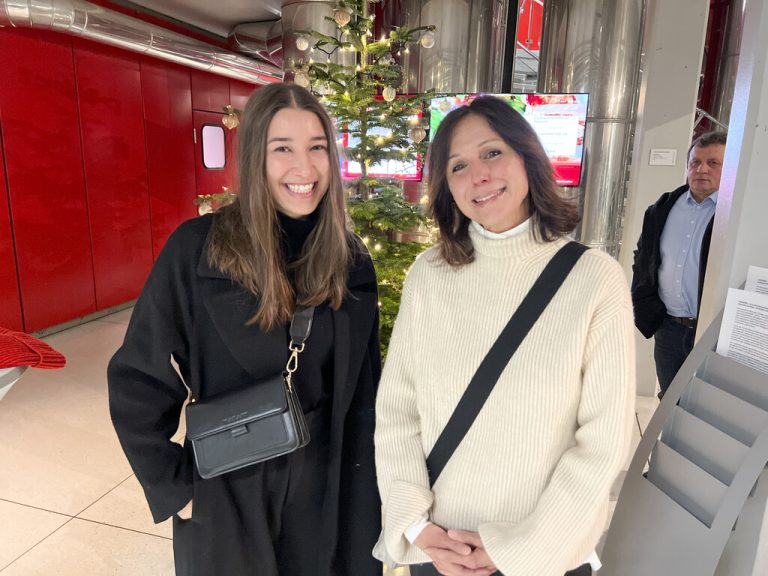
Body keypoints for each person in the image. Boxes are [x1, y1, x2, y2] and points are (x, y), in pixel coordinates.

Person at [108, 83, 382, 576]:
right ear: (256, 156)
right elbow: (137, 378)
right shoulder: (198, 251)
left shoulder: (350, 259)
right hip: (227, 487)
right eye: (283, 149)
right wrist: (176, 490)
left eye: (317, 147)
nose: (304, 168)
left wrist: (369, 498)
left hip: (327, 488)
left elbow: (366, 393)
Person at [373, 96, 636, 576]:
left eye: (492, 153)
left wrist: (522, 547)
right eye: (458, 165)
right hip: (443, 546)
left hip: (545, 555)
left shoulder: (594, 279)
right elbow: (398, 411)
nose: (479, 175)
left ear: (527, 158)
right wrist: (415, 526)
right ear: (445, 186)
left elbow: (604, 440)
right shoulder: (428, 275)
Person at [631, 131, 726, 398]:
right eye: (695, 162)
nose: (701, 169)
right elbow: (644, 258)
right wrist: (644, 302)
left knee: (706, 406)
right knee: (669, 402)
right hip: (669, 329)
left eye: (713, 163)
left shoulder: (734, 214)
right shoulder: (662, 208)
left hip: (710, 333)